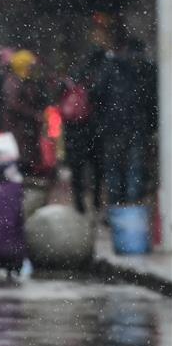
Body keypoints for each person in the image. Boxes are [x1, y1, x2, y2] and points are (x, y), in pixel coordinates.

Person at [91, 36, 158, 205]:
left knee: (114, 170)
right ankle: (132, 211)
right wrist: (152, 125)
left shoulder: (111, 67)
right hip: (137, 125)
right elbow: (152, 100)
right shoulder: (147, 69)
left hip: (113, 126)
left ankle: (116, 211)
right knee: (134, 170)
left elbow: (96, 94)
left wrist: (102, 119)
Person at [62, 49, 104, 214]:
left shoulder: (72, 76)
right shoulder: (99, 75)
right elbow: (100, 99)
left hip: (73, 130)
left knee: (77, 169)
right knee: (97, 168)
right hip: (92, 128)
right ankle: (96, 203)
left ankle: (79, 204)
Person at [2, 50, 49, 177]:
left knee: (26, 159)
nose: (32, 69)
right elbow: (14, 104)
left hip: (24, 129)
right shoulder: (14, 82)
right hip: (18, 128)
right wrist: (34, 114)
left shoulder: (24, 81)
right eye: (30, 66)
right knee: (21, 160)